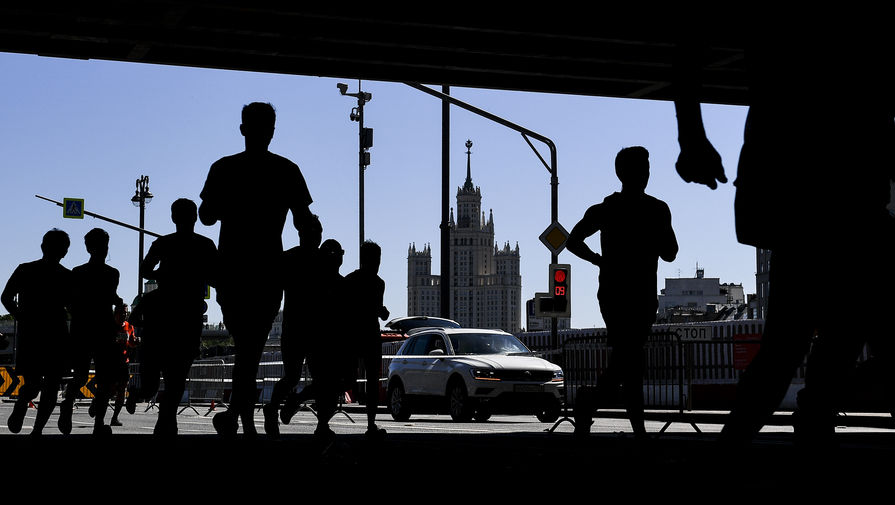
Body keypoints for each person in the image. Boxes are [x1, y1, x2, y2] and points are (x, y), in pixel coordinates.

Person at [672, 31, 895, 447]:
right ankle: (807, 416)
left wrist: (692, 137)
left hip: (800, 197)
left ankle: (765, 434)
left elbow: (689, 53)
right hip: (844, 194)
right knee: (822, 333)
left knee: (789, 343)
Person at [199, 101, 315, 438]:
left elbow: (206, 216)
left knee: (246, 346)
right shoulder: (287, 170)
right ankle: (238, 415)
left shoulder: (223, 169)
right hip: (268, 271)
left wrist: (226, 206)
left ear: (242, 129)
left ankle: (238, 415)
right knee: (251, 346)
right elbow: (304, 222)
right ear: (272, 132)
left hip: (233, 270)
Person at [566, 146, 678, 439]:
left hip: (620, 294)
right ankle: (636, 429)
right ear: (628, 173)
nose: (645, 174)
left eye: (646, 169)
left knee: (628, 358)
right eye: (642, 169)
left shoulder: (608, 210)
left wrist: (598, 260)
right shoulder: (655, 209)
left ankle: (589, 403)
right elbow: (670, 253)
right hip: (634, 294)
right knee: (631, 357)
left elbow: (573, 241)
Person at [130, 198, 217, 437]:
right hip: (187, 316)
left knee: (161, 377)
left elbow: (145, 270)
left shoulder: (163, 243)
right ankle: (161, 414)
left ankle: (165, 419)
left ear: (173, 217)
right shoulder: (205, 245)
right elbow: (217, 277)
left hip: (163, 317)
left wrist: (163, 274)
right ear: (195, 217)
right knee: (176, 375)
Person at [1, 229, 73, 437]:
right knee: (51, 387)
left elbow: (5, 297)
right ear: (65, 252)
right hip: (56, 336)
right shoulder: (66, 276)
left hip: (31, 335)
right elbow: (72, 307)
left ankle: (23, 402)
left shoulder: (25, 270)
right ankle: (37, 430)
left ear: (43, 247)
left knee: (33, 383)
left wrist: (20, 315)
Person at [58, 228, 124, 437]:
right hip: (104, 330)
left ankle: (68, 403)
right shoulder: (112, 273)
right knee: (104, 380)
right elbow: (109, 296)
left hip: (81, 329)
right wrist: (118, 303)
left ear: (87, 248)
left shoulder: (77, 273)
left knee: (80, 375)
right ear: (106, 247)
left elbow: (70, 301)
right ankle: (98, 426)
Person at [263, 214, 323, 438]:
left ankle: (279, 406)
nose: (317, 237)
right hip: (309, 328)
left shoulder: (288, 258)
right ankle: (286, 405)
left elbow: (274, 291)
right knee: (307, 378)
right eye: (316, 233)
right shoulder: (318, 260)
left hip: (297, 327)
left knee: (293, 376)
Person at [344, 240, 390, 440]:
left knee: (346, 378)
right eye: (376, 259)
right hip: (370, 335)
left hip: (353, 335)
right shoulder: (379, 283)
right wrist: (383, 312)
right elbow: (378, 310)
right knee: (372, 381)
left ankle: (322, 421)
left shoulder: (350, 280)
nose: (378, 262)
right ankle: (371, 424)